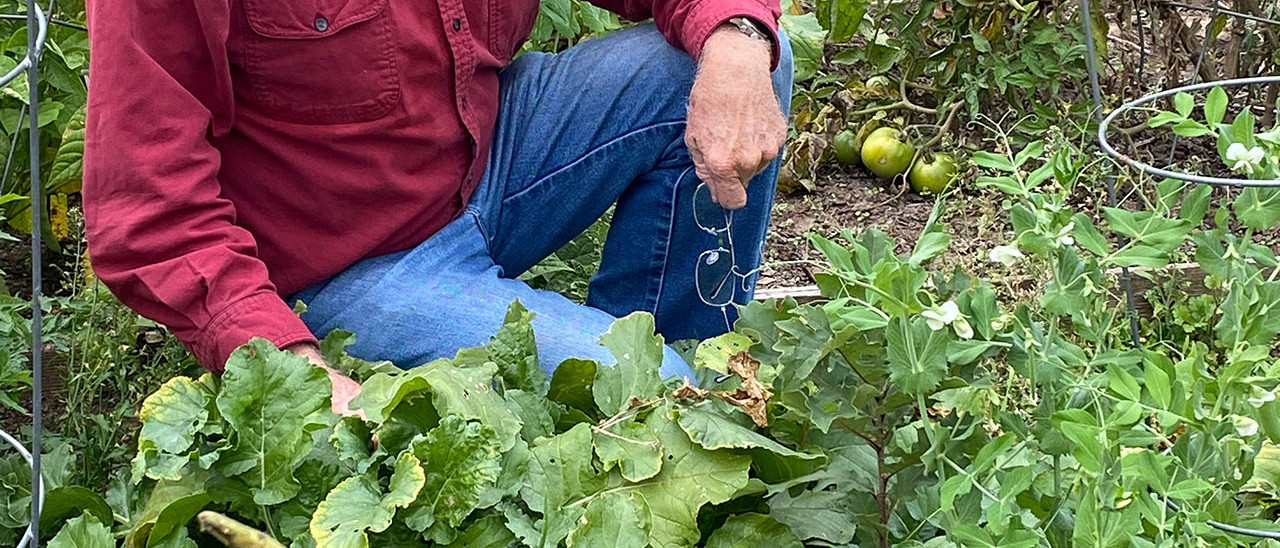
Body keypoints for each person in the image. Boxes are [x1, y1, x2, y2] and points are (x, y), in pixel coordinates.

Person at [83, 0, 793, 416]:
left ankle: (681, 363)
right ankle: (653, 395)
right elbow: (146, 208)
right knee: (661, 393)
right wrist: (288, 366)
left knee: (740, 50)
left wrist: (739, 37)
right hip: (344, 265)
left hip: (489, 158)